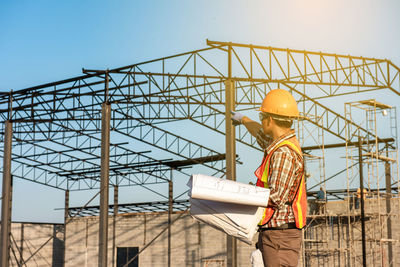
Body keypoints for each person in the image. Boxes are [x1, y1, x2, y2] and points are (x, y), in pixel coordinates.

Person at [231, 89, 307, 267]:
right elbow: (259, 132)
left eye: (262, 116)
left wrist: (241, 195)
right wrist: (243, 119)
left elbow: (276, 196)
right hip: (277, 235)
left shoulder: (282, 152)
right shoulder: (279, 144)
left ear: (270, 119)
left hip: (279, 236)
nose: (260, 120)